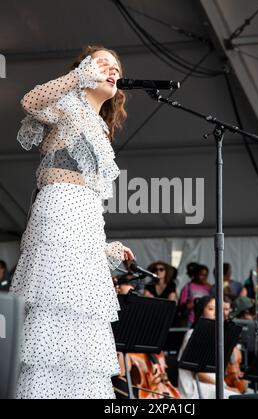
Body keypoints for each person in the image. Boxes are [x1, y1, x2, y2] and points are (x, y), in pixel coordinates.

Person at [9, 45, 135, 399]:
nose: (112, 71)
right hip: (59, 211)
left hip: (85, 222)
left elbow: (91, 200)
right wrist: (77, 77)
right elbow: (30, 102)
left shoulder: (100, 126)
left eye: (116, 67)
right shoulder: (67, 104)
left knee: (82, 320)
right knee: (53, 311)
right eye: (103, 64)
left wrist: (103, 249)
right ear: (85, 70)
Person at [178, 296, 239, 399]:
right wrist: (225, 387)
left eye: (217, 309)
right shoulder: (191, 334)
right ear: (201, 311)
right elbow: (198, 373)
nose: (216, 312)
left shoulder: (215, 334)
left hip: (211, 385)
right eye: (211, 309)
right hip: (195, 387)